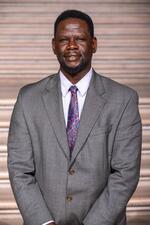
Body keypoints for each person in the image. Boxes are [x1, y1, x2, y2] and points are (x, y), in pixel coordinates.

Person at [7, 10, 142, 225]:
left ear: (94, 44)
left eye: (79, 39)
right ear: (53, 45)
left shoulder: (123, 100)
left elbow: (125, 173)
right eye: (63, 40)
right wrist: (43, 221)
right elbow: (19, 168)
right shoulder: (27, 99)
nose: (71, 46)